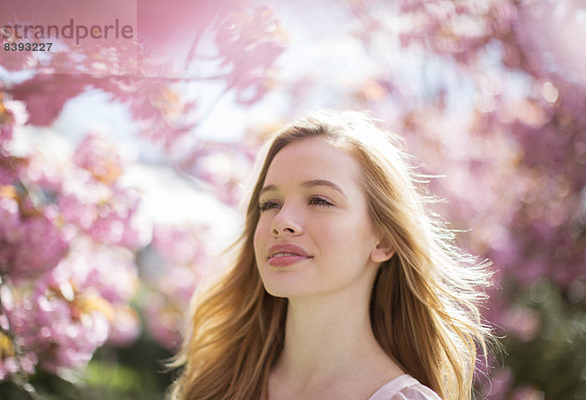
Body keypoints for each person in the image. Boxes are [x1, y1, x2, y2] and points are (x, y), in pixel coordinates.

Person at [168, 110, 493, 400]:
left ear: (383, 242)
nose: (281, 222)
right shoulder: (216, 386)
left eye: (320, 200)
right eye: (270, 204)